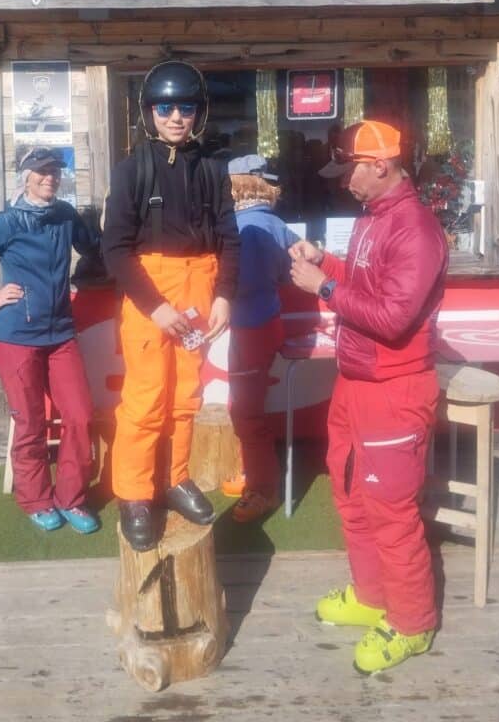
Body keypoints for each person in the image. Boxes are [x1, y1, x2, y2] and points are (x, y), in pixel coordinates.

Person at [289, 120, 448, 675]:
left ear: (380, 165)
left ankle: (413, 622)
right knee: (351, 495)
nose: (343, 181)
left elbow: (393, 318)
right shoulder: (371, 219)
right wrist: (325, 262)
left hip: (395, 388)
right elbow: (365, 285)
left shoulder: (417, 230)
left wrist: (323, 287)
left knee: (392, 512)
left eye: (350, 170)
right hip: (355, 381)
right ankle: (372, 595)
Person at [102, 60, 240, 551]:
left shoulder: (212, 169)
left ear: (199, 112)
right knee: (145, 400)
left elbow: (229, 239)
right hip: (149, 293)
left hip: (199, 289)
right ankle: (135, 494)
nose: (176, 117)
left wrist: (224, 294)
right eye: (165, 108)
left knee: (186, 397)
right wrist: (155, 306)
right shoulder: (132, 170)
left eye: (185, 107)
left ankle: (175, 478)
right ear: (149, 113)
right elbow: (114, 249)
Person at [0, 146, 100, 535]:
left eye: (55, 171)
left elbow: (93, 248)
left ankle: (71, 497)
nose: (50, 177)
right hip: (15, 339)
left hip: (60, 334)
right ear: (26, 177)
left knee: (80, 416)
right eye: (42, 171)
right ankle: (36, 500)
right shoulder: (7, 222)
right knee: (31, 422)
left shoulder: (65, 215)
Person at [224, 154, 301, 523]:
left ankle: (263, 489)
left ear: (238, 185)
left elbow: (242, 285)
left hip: (249, 327)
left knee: (245, 412)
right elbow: (290, 272)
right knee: (250, 407)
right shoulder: (274, 222)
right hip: (267, 322)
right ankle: (255, 472)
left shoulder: (244, 227)